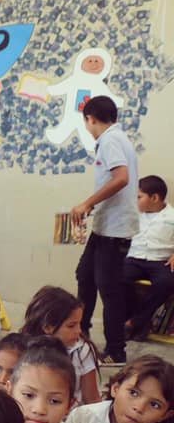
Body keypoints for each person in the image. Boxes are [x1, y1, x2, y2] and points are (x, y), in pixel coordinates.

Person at [71, 95, 138, 364]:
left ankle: (116, 350)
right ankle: (80, 333)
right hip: (105, 226)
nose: (87, 127)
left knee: (109, 290)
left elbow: (121, 178)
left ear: (90, 119)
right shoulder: (115, 139)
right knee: (85, 275)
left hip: (114, 229)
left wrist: (88, 202)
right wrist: (93, 207)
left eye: (86, 122)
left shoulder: (110, 140)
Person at [22, 286, 100, 405]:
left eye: (79, 323)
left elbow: (92, 400)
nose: (79, 331)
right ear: (47, 327)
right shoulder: (24, 350)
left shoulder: (81, 350)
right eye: (71, 326)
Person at [123, 175, 174, 340]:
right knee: (118, 278)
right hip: (134, 258)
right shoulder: (134, 214)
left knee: (166, 283)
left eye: (139, 197)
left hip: (160, 261)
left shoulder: (172, 216)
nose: (135, 201)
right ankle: (139, 322)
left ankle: (134, 322)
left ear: (155, 198)